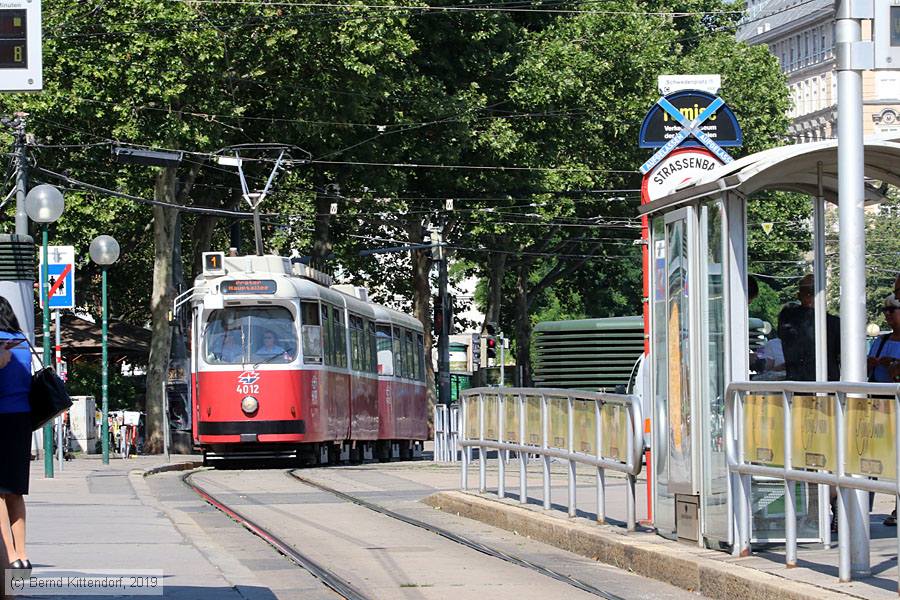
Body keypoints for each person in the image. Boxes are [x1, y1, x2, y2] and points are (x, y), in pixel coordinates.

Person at [0, 297, 32, 575]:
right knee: (15, 491)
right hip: (22, 419)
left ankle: (9, 556)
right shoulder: (22, 342)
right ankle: (23, 555)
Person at [778, 274, 841, 381]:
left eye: (813, 292)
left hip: (825, 380)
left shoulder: (832, 323)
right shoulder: (790, 316)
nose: (811, 297)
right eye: (807, 292)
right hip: (799, 380)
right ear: (799, 295)